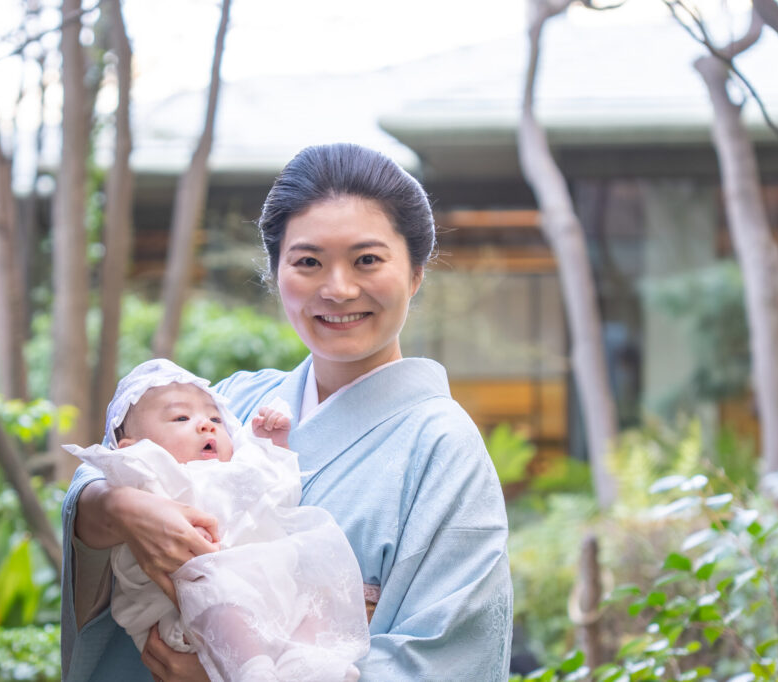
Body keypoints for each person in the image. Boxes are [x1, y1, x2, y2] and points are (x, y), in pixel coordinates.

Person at [61, 142, 514, 681]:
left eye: (367, 260)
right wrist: (116, 507)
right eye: (308, 262)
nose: (338, 288)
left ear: (416, 272)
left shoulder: (443, 447)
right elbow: (105, 468)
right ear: (276, 270)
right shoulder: (231, 403)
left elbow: (451, 656)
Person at [63, 358, 369, 682]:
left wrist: (271, 446)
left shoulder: (233, 470)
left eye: (214, 418)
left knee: (315, 593)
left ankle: (303, 664)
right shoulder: (151, 473)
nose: (207, 425)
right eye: (181, 417)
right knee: (221, 592)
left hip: (266, 600)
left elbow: (278, 491)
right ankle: (253, 671)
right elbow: (100, 477)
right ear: (133, 448)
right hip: (192, 611)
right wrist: (121, 497)